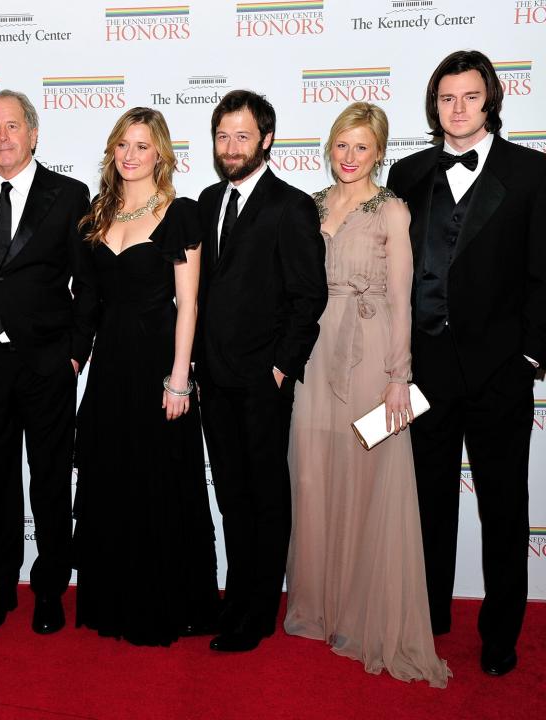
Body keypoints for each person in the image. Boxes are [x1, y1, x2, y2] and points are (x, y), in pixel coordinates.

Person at [386, 50, 546, 677]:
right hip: (424, 373)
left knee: (503, 508)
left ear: (491, 102)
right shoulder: (408, 172)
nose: (457, 108)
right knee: (426, 504)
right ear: (434, 105)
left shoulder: (531, 174)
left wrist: (529, 356)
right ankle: (427, 618)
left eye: (469, 97)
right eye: (446, 98)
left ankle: (501, 630)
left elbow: (543, 274)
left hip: (500, 372)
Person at [284, 102, 450, 687]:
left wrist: (399, 375)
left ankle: (360, 614)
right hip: (315, 345)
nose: (349, 158)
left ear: (379, 152)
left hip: (372, 347)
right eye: (340, 146)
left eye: (361, 147)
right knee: (312, 474)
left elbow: (405, 297)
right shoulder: (309, 206)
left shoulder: (393, 211)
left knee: (366, 472)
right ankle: (320, 607)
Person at [72, 107, 220, 646]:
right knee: (113, 476)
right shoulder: (98, 212)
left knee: (160, 480)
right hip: (110, 364)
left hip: (159, 362)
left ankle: (166, 601)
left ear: (160, 152)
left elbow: (189, 304)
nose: (130, 155)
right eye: (122, 145)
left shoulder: (179, 212)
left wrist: (180, 376)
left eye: (141, 145)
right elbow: (86, 296)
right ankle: (115, 597)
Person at [0, 89, 97, 634]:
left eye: (14, 126)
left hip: (47, 364)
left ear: (34, 134)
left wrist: (75, 356)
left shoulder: (68, 194)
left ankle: (50, 588)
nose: (3, 137)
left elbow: (87, 284)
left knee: (51, 481)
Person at [195, 90, 327, 653]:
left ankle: (259, 611)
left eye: (242, 136)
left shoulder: (290, 205)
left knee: (265, 496)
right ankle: (238, 593)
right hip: (214, 379)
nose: (231, 147)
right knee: (230, 494)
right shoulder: (204, 200)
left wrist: (279, 369)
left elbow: (308, 297)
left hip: (261, 382)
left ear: (266, 140)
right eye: (223, 136)